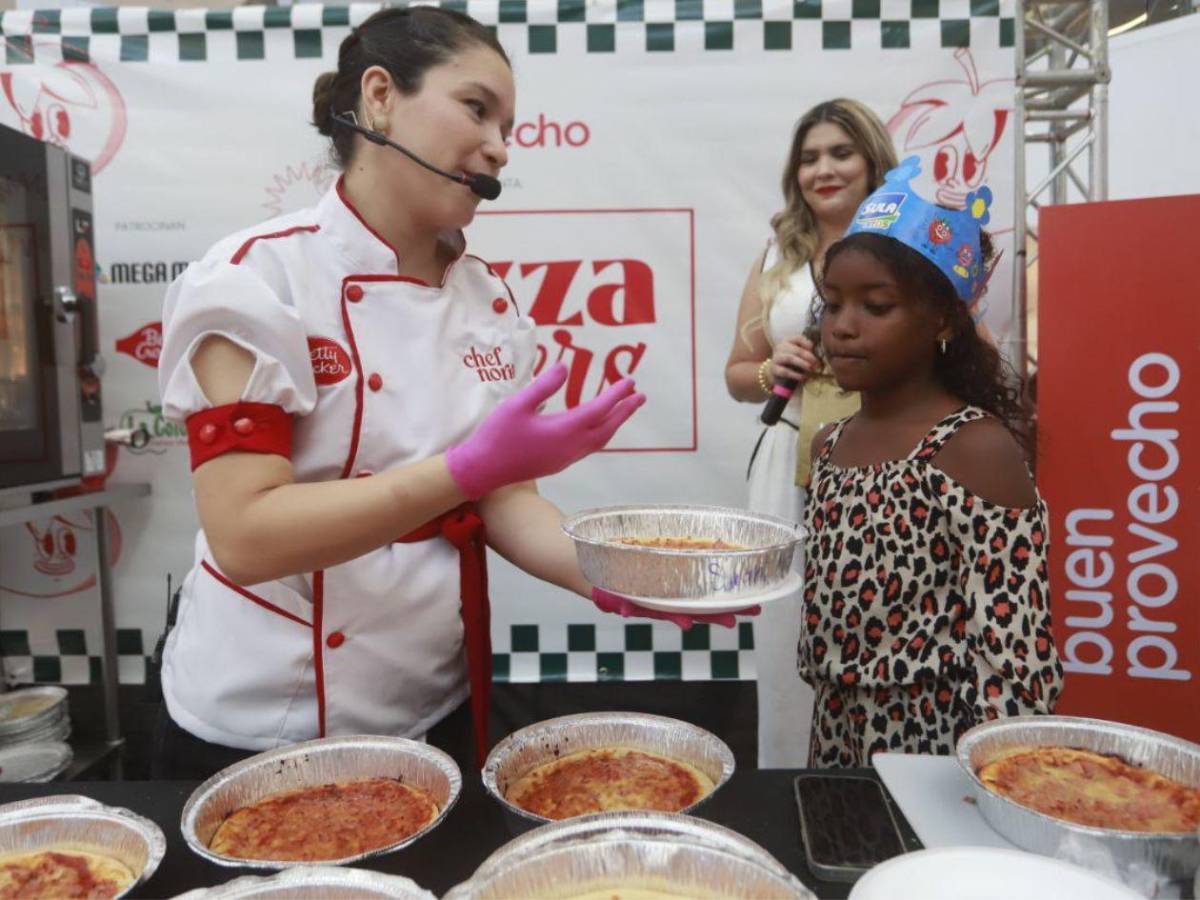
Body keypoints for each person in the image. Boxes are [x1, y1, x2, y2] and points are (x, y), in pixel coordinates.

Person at [152, 7, 732, 780]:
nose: (499, 145)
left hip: (429, 706)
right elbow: (246, 536)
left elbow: (509, 504)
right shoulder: (257, 281)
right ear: (381, 96)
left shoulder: (487, 302)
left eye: (509, 125)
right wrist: (463, 470)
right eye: (476, 107)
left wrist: (623, 573)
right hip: (262, 722)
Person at [793, 157, 1063, 768]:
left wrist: (994, 780)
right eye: (832, 306)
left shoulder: (973, 447)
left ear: (941, 318)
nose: (843, 327)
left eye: (876, 306)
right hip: (837, 735)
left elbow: (1015, 649)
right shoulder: (829, 446)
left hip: (938, 749)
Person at [723, 99, 897, 768]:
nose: (823, 169)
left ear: (872, 160)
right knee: (785, 630)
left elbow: (967, 349)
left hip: (887, 465)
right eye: (809, 157)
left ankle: (880, 792)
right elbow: (736, 377)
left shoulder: (914, 242)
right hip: (786, 464)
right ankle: (791, 787)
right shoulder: (780, 253)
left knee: (880, 626)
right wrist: (773, 367)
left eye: (840, 153)